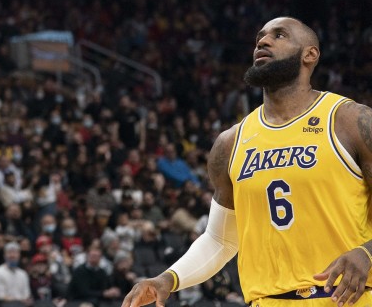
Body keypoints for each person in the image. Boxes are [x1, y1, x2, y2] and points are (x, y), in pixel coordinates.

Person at [122, 17, 372, 307]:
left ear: (310, 54)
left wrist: (367, 253)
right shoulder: (230, 143)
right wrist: (168, 278)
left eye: (279, 35)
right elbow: (221, 240)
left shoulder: (351, 121)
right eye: (259, 37)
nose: (263, 42)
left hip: (346, 298)